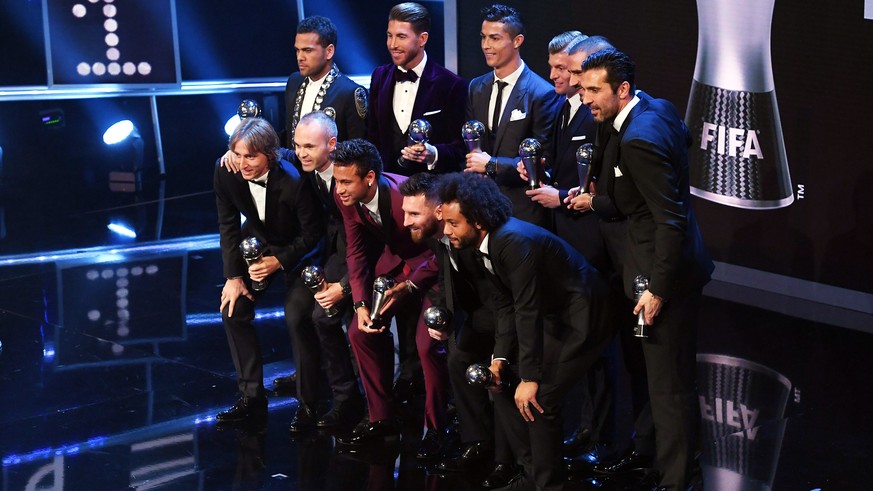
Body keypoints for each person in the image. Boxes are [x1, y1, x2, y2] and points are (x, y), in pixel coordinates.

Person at [575, 49, 714, 490]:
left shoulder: (639, 140)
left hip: (664, 273)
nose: (585, 99)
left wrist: (656, 289)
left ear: (622, 90)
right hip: (663, 263)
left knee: (669, 386)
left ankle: (677, 481)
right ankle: (672, 464)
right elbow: (683, 141)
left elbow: (668, 219)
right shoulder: (657, 108)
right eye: (582, 89)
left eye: (594, 90)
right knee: (667, 379)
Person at [437, 172, 616, 491]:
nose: (446, 231)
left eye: (453, 223)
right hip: (557, 315)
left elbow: (527, 309)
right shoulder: (487, 242)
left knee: (541, 396)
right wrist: (499, 358)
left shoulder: (513, 242)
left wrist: (531, 378)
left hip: (586, 317)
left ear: (477, 220)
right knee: (505, 383)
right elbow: (505, 305)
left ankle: (547, 484)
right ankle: (530, 472)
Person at [400, 172, 521, 488]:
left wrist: (501, 349)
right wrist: (447, 319)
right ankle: (477, 442)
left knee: (501, 380)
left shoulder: (471, 231)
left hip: (510, 313)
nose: (405, 221)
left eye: (414, 213)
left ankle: (508, 461)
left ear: (439, 208)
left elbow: (506, 295)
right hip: (483, 312)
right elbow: (447, 282)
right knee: (457, 358)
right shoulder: (441, 237)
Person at [330, 139, 449, 460]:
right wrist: (360, 304)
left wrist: (411, 284)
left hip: (434, 269)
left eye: (345, 181)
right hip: (397, 266)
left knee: (428, 346)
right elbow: (355, 251)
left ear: (369, 177)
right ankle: (381, 417)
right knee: (359, 330)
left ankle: (438, 428)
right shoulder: (346, 197)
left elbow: (443, 248)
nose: (338, 189)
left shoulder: (403, 198)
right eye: (336, 181)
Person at [213, 118, 324, 428]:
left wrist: (279, 261)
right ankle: (251, 396)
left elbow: (312, 234)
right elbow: (228, 226)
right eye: (237, 154)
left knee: (296, 316)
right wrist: (234, 277)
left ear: (270, 155)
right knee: (233, 310)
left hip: (301, 248)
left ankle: (309, 403)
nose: (243, 163)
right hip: (262, 238)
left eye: (251, 156)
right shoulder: (226, 170)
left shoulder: (293, 178)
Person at [287, 111, 365, 432]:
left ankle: (364, 402)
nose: (301, 153)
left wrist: (346, 286)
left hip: (366, 251)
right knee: (318, 317)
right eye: (297, 145)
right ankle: (345, 398)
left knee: (345, 322)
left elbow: (368, 241)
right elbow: (279, 156)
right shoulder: (307, 167)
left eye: (309, 146)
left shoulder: (353, 175)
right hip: (336, 248)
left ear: (332, 144)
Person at [464, 4, 562, 228]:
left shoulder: (541, 93)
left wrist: (492, 165)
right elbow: (471, 146)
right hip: (482, 206)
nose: (486, 45)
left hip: (522, 211)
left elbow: (543, 160)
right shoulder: (476, 87)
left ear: (517, 41)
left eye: (495, 38)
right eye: (483, 37)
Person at [367, 2, 467, 176]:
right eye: (390, 36)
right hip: (388, 185)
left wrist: (432, 154)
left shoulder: (451, 85)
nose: (392, 44)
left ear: (422, 39)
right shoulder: (379, 77)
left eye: (401, 37)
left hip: (432, 189)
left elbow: (460, 148)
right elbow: (372, 136)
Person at [284, 15, 367, 148]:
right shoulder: (293, 82)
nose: (300, 57)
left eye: (307, 50)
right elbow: (287, 135)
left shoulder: (350, 92)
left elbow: (359, 149)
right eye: (297, 50)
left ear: (329, 51)